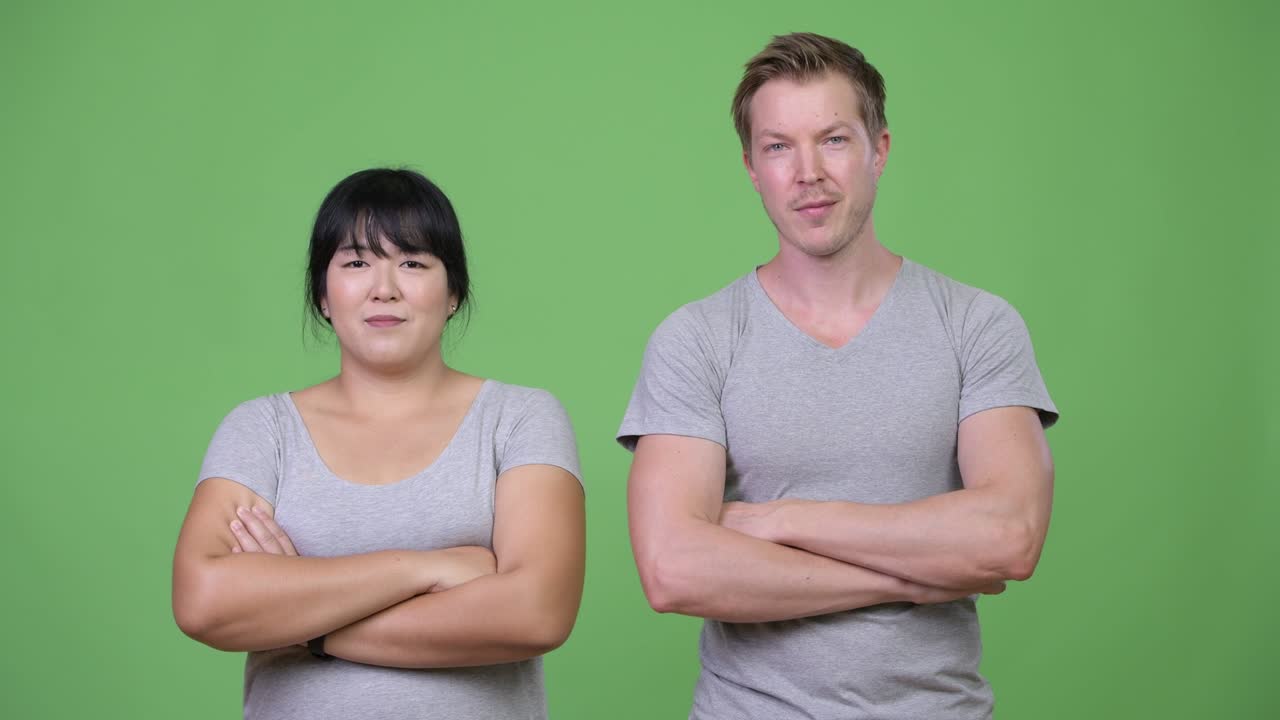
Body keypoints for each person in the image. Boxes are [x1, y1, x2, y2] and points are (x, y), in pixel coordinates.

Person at [618, 32, 1057, 719]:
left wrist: (782, 520)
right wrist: (914, 575)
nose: (807, 172)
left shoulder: (977, 324)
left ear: (878, 150)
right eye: (778, 146)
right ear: (751, 167)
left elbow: (1009, 536)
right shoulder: (696, 339)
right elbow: (674, 570)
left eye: (833, 140)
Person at [173, 168, 585, 719]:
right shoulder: (262, 430)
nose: (384, 287)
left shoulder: (519, 418)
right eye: (356, 262)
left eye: (413, 262)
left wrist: (308, 625)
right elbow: (202, 602)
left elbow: (536, 613)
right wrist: (426, 569)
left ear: (454, 292)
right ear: (323, 293)